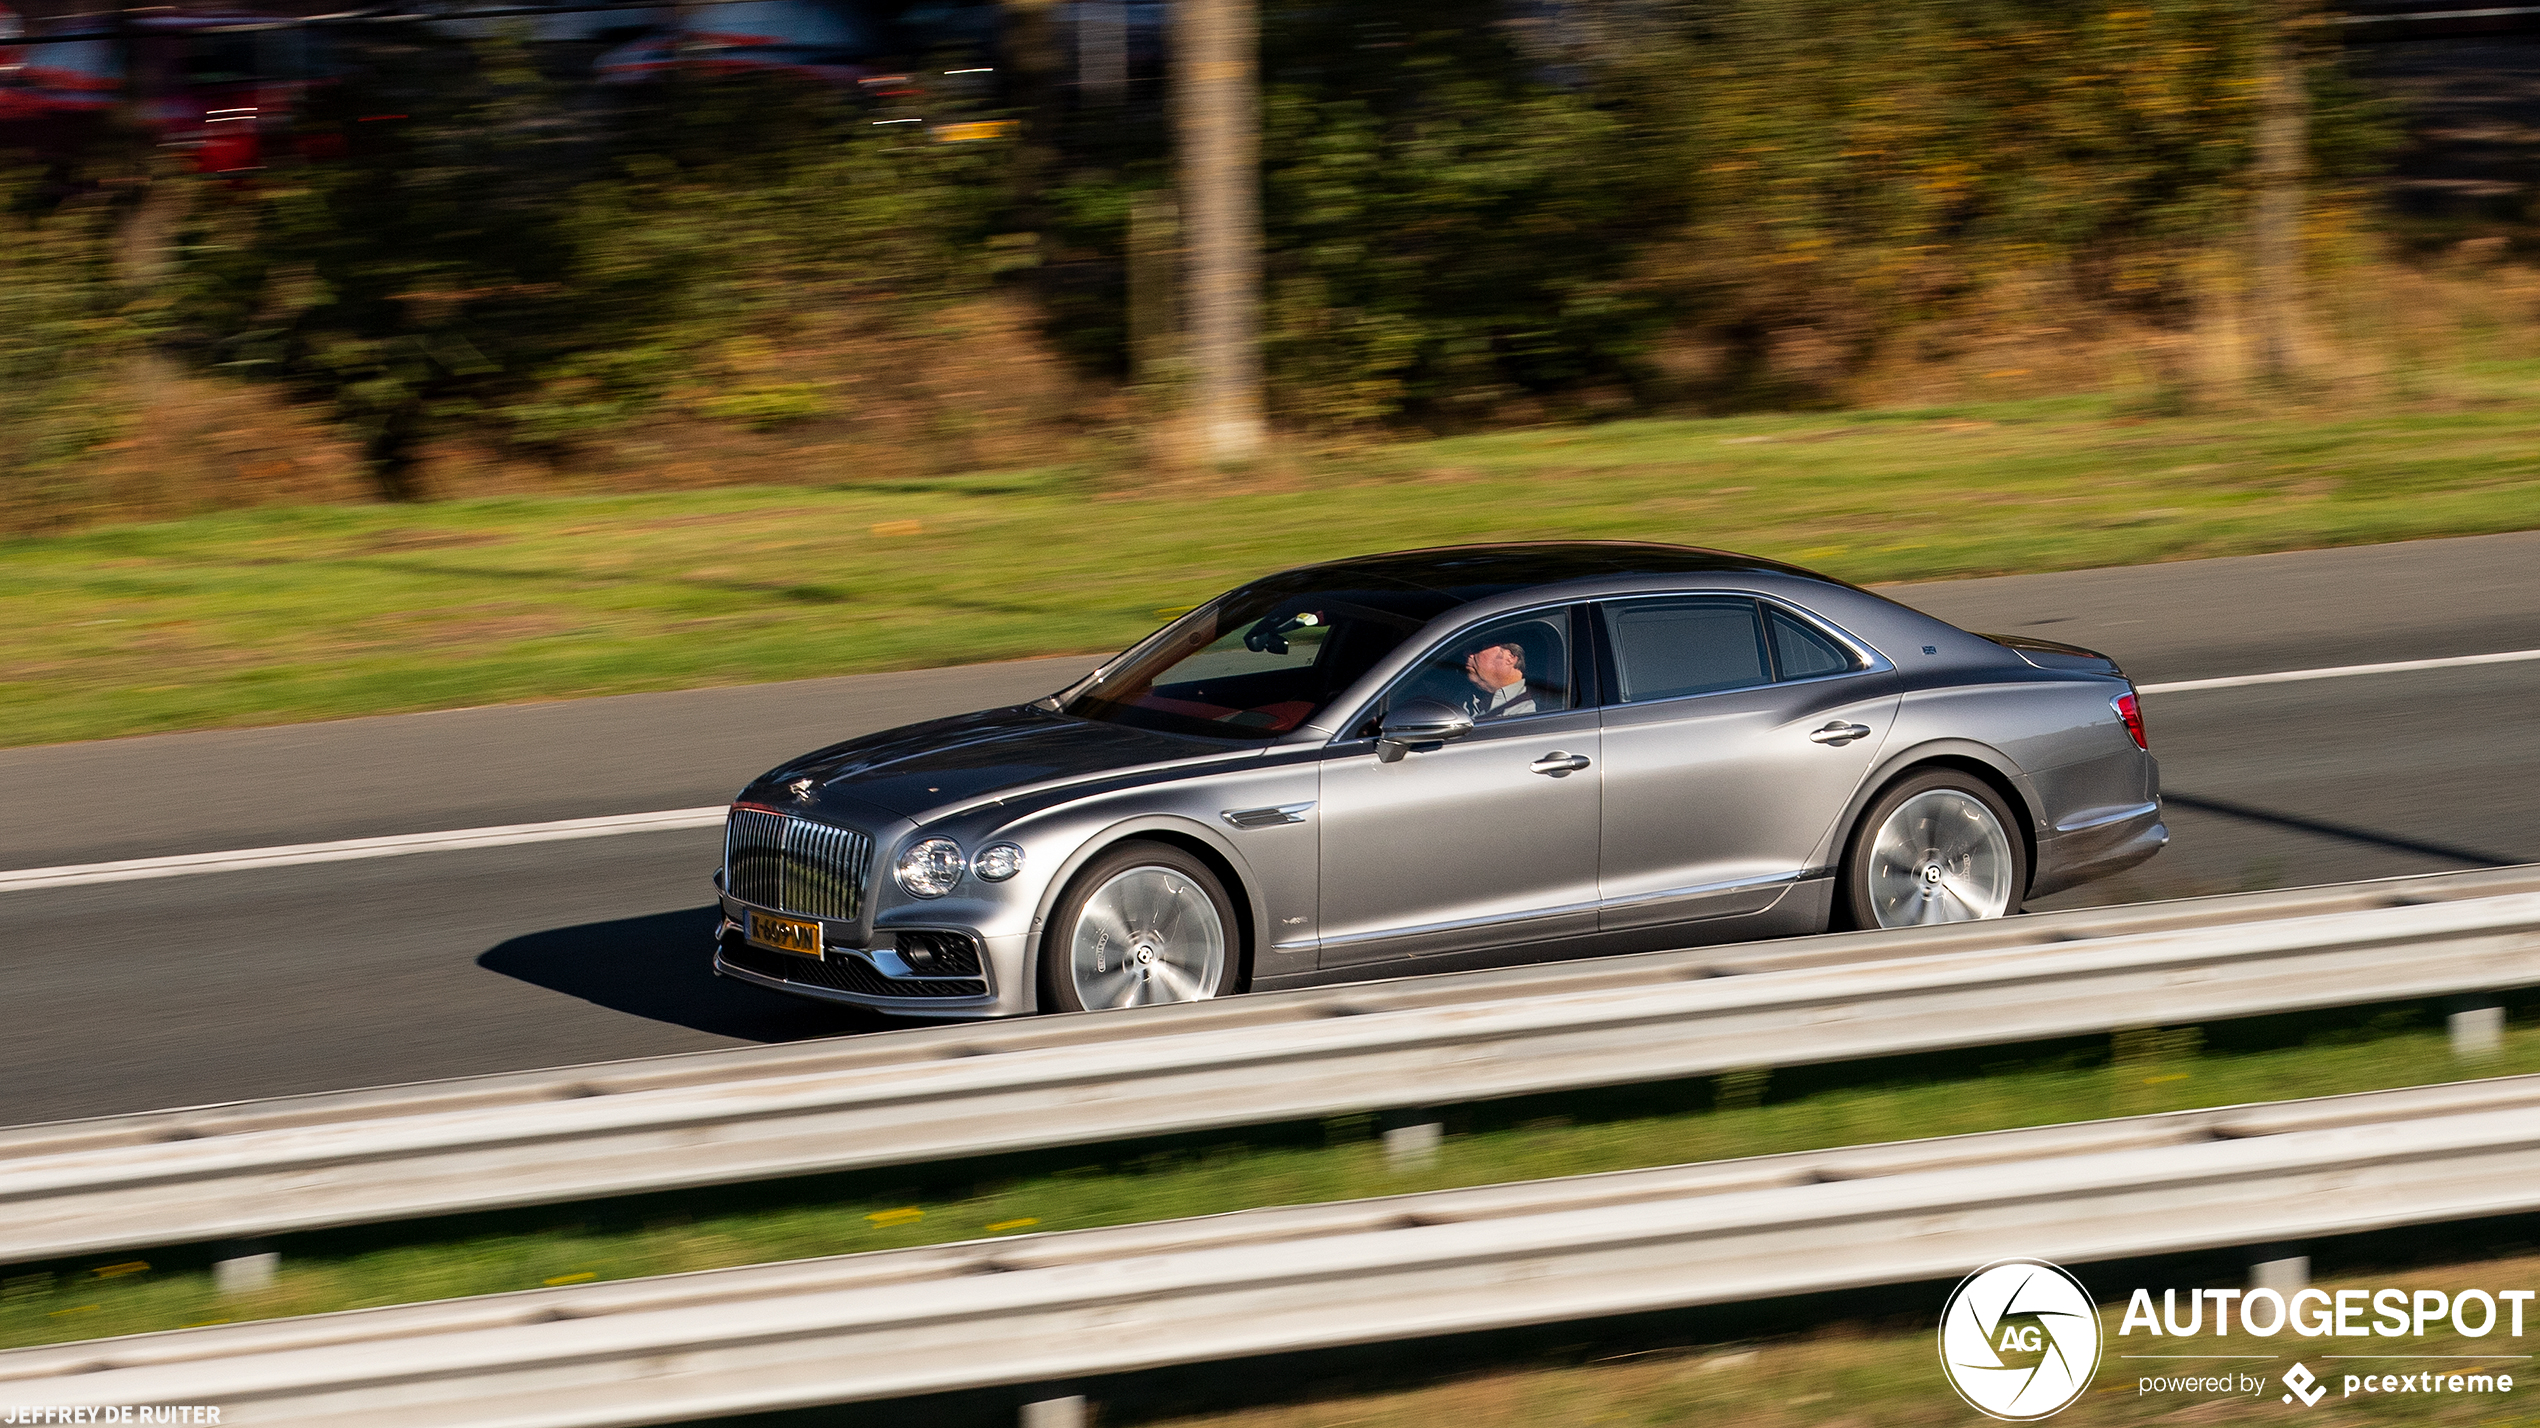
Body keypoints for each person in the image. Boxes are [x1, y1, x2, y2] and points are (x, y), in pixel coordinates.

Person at [1464, 639, 1538, 719]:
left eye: (1477, 648)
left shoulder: (1530, 711)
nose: (1467, 654)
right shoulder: (1464, 695)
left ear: (1510, 658)